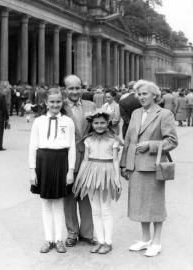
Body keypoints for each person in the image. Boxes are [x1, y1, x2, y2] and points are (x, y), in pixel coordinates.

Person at [120, 80, 178, 257]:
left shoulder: (164, 114)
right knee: (140, 204)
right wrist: (124, 163)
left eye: (145, 94)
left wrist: (151, 145)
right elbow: (129, 140)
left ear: (155, 95)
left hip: (153, 167)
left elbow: (172, 141)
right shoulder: (136, 113)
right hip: (136, 166)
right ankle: (145, 239)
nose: (141, 97)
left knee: (155, 205)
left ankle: (156, 241)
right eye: (138, 94)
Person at [29, 88, 76, 254]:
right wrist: (32, 170)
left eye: (58, 102)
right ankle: (48, 239)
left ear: (62, 102)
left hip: (61, 160)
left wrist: (70, 171)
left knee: (58, 203)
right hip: (43, 161)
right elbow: (33, 146)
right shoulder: (39, 121)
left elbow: (72, 148)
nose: (55, 105)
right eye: (52, 102)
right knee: (46, 203)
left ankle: (58, 239)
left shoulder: (68, 122)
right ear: (46, 103)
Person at [73, 109, 121, 254]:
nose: (99, 125)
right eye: (96, 123)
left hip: (107, 173)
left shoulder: (113, 139)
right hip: (91, 174)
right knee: (95, 210)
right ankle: (100, 240)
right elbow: (85, 160)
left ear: (107, 123)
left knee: (105, 209)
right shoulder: (88, 140)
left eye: (102, 123)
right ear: (92, 124)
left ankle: (108, 242)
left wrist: (117, 179)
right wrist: (79, 180)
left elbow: (115, 160)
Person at [63, 75, 97, 247]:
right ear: (65, 90)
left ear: (82, 88)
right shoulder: (59, 107)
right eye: (71, 88)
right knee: (69, 197)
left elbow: (99, 128)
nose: (75, 91)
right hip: (67, 157)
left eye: (78, 88)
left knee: (86, 195)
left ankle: (87, 233)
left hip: (88, 157)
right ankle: (72, 233)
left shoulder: (91, 106)